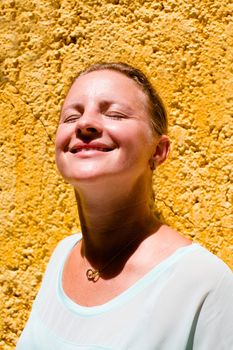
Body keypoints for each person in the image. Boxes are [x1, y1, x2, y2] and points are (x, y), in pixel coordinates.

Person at [16, 62, 233, 350]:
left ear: (158, 151)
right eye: (70, 117)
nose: (84, 124)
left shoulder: (204, 283)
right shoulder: (62, 256)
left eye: (115, 114)